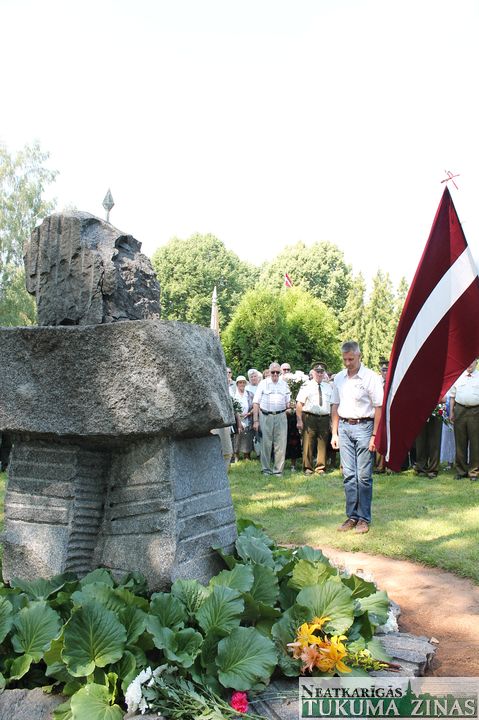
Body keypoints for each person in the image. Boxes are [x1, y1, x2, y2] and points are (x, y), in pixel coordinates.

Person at [331, 341, 383, 534]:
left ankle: (363, 518)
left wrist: (374, 435)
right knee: (349, 475)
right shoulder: (339, 378)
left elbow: (378, 407)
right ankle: (351, 516)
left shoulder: (371, 378)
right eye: (344, 359)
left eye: (351, 359)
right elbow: (335, 405)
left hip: (364, 426)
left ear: (359, 356)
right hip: (344, 427)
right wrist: (335, 432)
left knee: (363, 476)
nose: (347, 363)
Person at [253, 362, 290, 476]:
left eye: (277, 372)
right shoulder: (263, 384)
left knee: (281, 443)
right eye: (272, 372)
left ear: (280, 373)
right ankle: (266, 469)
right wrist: (256, 420)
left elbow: (288, 403)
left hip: (281, 416)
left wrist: (289, 408)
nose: (275, 374)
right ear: (269, 372)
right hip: (266, 416)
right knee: (266, 443)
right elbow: (255, 403)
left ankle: (278, 470)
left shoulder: (284, 384)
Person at [296, 364, 332, 475]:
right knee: (308, 442)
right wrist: (299, 420)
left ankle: (320, 468)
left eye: (322, 372)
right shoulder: (307, 385)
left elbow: (331, 405)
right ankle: (308, 467)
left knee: (323, 443)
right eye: (317, 371)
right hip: (309, 417)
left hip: (324, 418)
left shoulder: (328, 387)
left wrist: (331, 421)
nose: (320, 374)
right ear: (313, 372)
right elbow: (299, 404)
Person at [449, 359, 479, 480]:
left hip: (476, 411)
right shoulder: (458, 377)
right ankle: (461, 471)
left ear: (476, 363)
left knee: (475, 443)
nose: (469, 364)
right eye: (467, 362)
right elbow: (452, 396)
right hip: (459, 410)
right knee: (460, 442)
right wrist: (451, 412)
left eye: (471, 362)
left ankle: (473, 472)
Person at [233, 375, 254, 460]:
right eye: (240, 382)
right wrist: (237, 415)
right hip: (236, 419)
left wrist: (249, 413)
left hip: (248, 418)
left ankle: (246, 456)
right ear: (237, 384)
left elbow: (255, 406)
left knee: (247, 437)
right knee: (237, 437)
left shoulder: (250, 394)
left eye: (243, 382)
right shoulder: (233, 394)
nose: (242, 384)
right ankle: (236, 455)